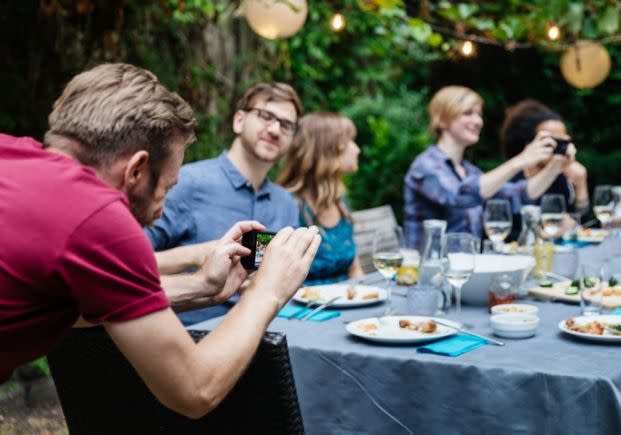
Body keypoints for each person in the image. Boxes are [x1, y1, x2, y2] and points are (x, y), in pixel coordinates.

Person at [0, 63, 321, 418]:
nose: (163, 206)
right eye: (167, 188)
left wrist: (202, 286)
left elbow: (82, 306)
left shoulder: (11, 152)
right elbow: (195, 390)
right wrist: (269, 290)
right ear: (136, 170)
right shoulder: (100, 218)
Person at [146, 82, 304, 325]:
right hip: (189, 338)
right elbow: (128, 265)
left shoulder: (286, 204)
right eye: (266, 116)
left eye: (286, 125)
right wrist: (198, 254)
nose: (274, 129)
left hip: (269, 334)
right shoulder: (187, 182)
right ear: (239, 120)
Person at [403, 85, 562, 251]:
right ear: (441, 120)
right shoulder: (425, 166)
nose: (478, 121)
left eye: (479, 114)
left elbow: (519, 194)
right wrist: (521, 160)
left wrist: (556, 165)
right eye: (468, 113)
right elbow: (459, 196)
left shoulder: (468, 171)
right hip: (429, 271)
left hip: (465, 269)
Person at [276, 113, 365, 285]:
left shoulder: (340, 202)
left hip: (347, 304)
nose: (357, 149)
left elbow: (355, 268)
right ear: (329, 149)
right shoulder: (287, 204)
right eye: (350, 141)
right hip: (304, 308)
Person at [500, 99, 589, 239]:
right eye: (552, 142)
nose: (559, 149)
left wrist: (581, 184)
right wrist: (543, 235)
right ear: (530, 144)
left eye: (564, 142)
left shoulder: (560, 179)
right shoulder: (511, 178)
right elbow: (502, 231)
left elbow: (583, 226)